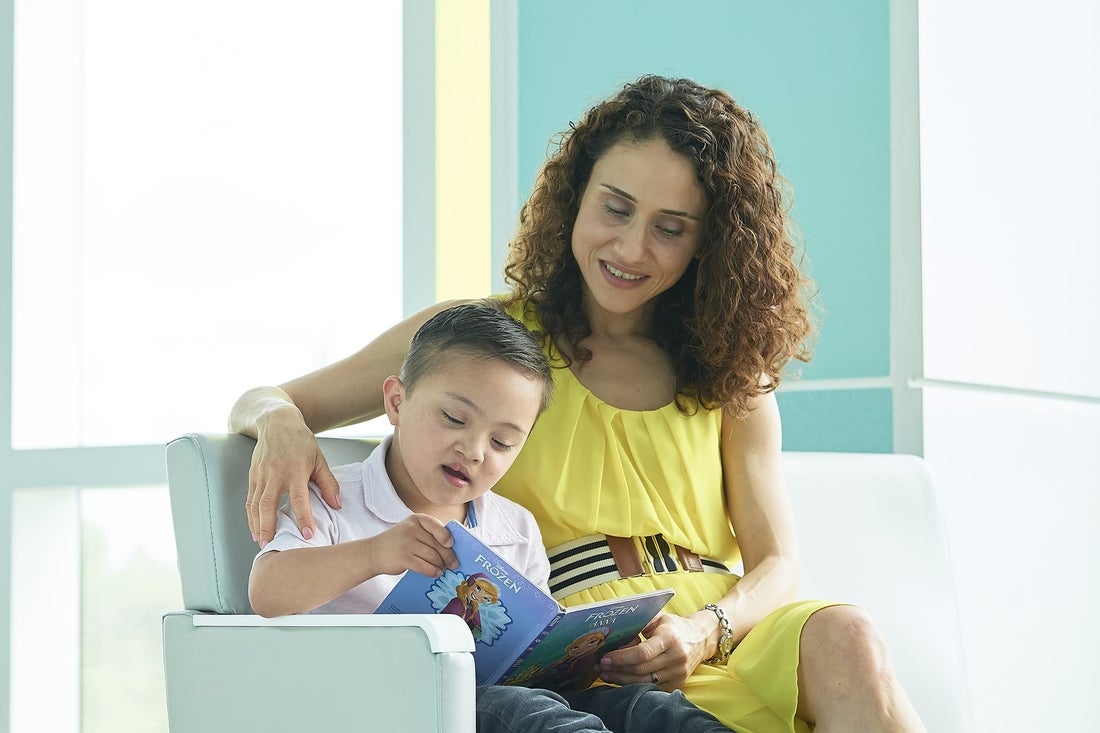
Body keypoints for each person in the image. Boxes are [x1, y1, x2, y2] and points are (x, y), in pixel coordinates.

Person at [232, 75, 927, 732]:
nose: (631, 247)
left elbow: (779, 564)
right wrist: (280, 422)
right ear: (576, 195)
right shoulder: (485, 348)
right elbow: (270, 397)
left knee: (851, 636)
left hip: (721, 628)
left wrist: (703, 628)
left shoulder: (731, 376)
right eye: (615, 208)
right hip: (591, 650)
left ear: (708, 241)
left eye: (671, 226)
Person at [247, 301, 732, 733]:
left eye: (502, 442)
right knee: (526, 712)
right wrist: (376, 553)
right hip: (402, 705)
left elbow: (537, 652)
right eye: (455, 419)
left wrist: (598, 646)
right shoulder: (334, 496)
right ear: (396, 402)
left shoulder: (515, 527)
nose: (474, 450)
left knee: (649, 709)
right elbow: (268, 590)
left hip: (519, 700)